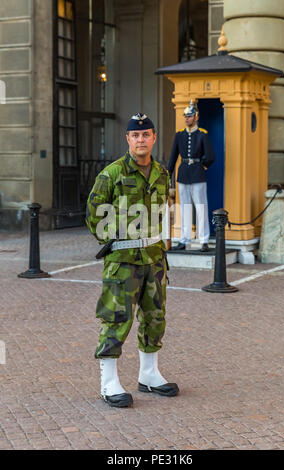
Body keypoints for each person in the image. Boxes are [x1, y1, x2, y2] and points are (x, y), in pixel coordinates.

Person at [86, 113, 179, 408]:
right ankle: (108, 381)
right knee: (117, 319)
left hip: (153, 258)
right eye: (136, 135)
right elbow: (93, 214)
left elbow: (162, 213)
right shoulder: (111, 174)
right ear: (128, 139)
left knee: (154, 317)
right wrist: (114, 241)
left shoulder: (162, 173)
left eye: (146, 134)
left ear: (153, 138)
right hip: (123, 260)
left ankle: (149, 375)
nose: (141, 140)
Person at [168, 100, 215, 251]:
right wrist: (168, 174)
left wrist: (202, 165)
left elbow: (210, 156)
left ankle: (203, 240)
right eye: (186, 116)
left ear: (196, 117)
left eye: (189, 116)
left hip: (197, 175)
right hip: (183, 174)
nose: (187, 118)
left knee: (201, 207)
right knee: (185, 208)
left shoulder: (202, 135)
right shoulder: (179, 135)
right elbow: (173, 156)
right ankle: (185, 239)